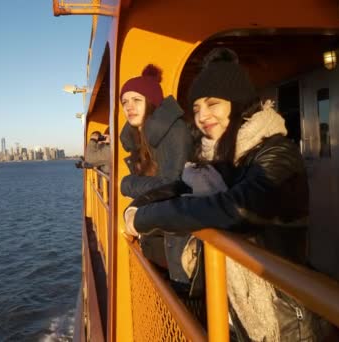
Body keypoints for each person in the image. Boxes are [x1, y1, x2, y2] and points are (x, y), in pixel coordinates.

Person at [124, 48, 327, 341]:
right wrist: (135, 208)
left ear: (238, 103)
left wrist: (142, 219)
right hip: (234, 309)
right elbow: (179, 186)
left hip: (281, 318)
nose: (202, 116)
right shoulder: (220, 158)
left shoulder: (277, 153)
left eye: (213, 104)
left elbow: (235, 209)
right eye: (195, 108)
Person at [119, 64, 193, 272]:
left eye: (136, 100)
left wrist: (128, 184)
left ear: (150, 102)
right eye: (125, 101)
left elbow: (175, 184)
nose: (129, 107)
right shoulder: (141, 137)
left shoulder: (175, 131)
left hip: (178, 239)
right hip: (157, 232)